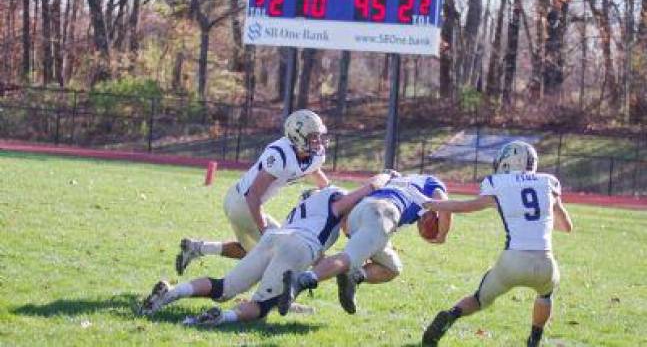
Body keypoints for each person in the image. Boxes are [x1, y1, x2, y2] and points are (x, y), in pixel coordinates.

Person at [140, 172, 394, 325]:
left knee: (223, 287)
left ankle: (171, 293)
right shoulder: (334, 202)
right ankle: (222, 318)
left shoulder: (302, 210)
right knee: (262, 306)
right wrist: (387, 176)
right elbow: (369, 189)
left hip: (275, 236)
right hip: (297, 246)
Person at [420, 141, 573, 347]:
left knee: (480, 299)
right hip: (545, 263)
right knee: (545, 295)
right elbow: (566, 227)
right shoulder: (549, 182)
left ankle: (451, 315)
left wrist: (432, 204)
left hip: (513, 261)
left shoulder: (497, 183)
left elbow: (467, 206)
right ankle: (534, 339)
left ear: (510, 161)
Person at [176, 109, 330, 275]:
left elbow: (314, 171)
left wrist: (330, 192)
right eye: (313, 136)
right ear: (297, 136)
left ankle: (196, 248)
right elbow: (253, 196)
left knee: (250, 251)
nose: (318, 141)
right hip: (243, 203)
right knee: (284, 250)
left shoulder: (313, 155)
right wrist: (265, 231)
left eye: (318, 135)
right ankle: (271, 296)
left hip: (239, 199)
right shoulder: (280, 155)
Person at [278, 173, 452, 316]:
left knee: (392, 267)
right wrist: (441, 235)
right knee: (348, 258)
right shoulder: (430, 183)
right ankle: (300, 281)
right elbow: (444, 204)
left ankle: (353, 277)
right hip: (384, 212)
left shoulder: (397, 180)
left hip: (360, 213)